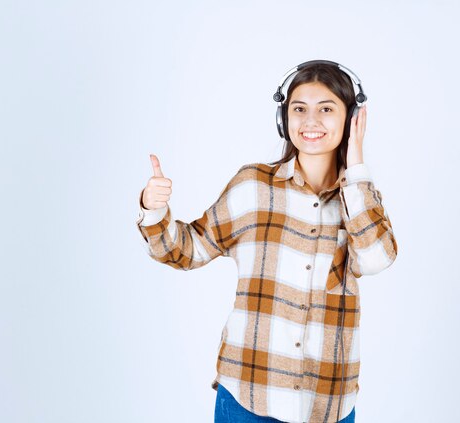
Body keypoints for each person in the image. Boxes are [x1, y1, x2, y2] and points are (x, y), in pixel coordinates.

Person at [136, 60, 397, 423]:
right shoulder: (253, 187)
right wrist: (154, 209)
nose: (310, 121)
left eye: (326, 109)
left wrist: (356, 167)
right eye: (299, 109)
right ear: (283, 119)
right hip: (248, 397)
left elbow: (376, 260)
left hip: (327, 406)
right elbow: (187, 250)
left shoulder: (359, 200)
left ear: (352, 119)